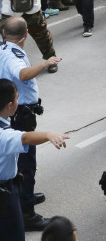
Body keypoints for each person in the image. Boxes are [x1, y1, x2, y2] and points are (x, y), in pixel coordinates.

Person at [0, 17, 63, 232]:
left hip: (16, 112)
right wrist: (45, 62)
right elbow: (22, 73)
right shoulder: (14, 54)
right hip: (20, 115)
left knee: (22, 161)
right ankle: (26, 212)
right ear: (26, 34)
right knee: (26, 163)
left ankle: (23, 195)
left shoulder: (4, 48)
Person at [0, 78, 68, 240]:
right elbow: (25, 138)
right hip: (4, 193)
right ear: (10, 105)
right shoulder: (3, 134)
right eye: (17, 98)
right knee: (14, 234)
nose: (18, 101)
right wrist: (48, 135)